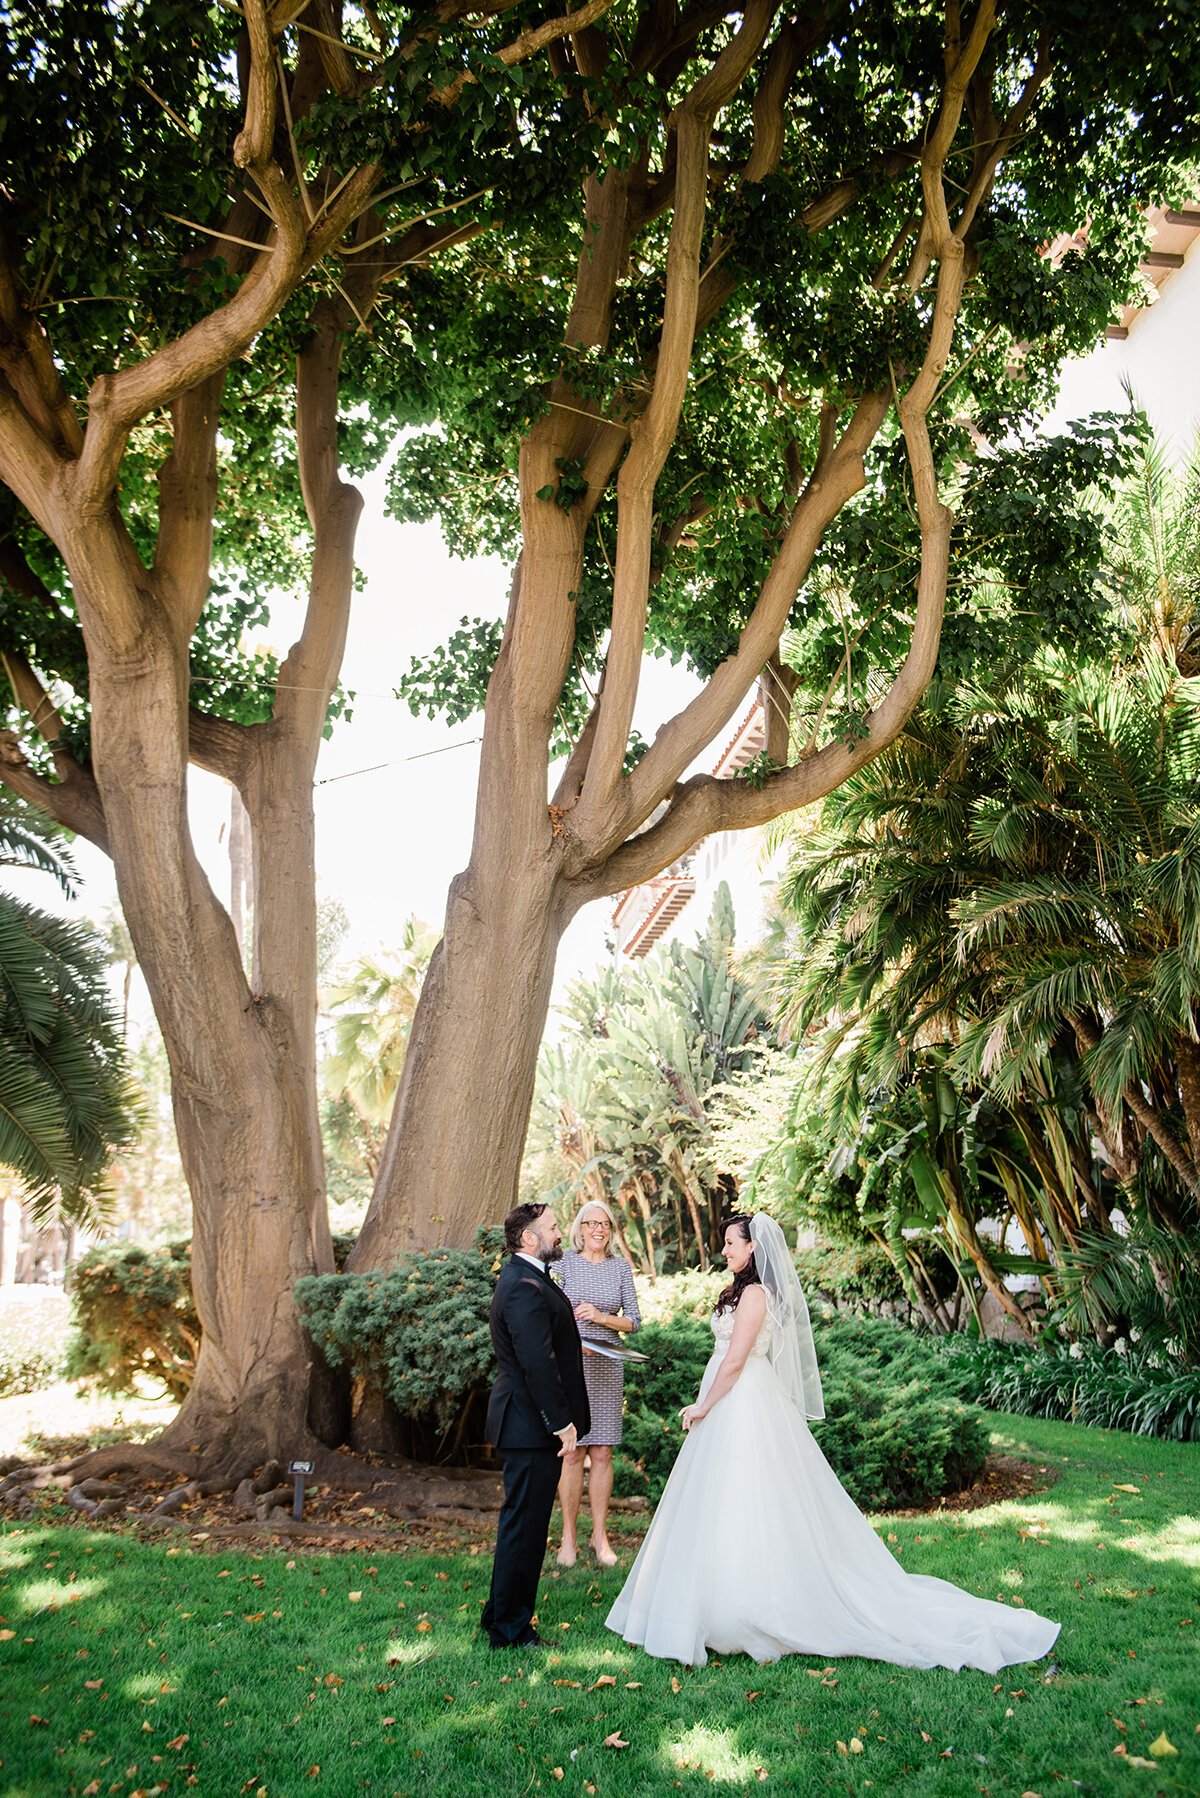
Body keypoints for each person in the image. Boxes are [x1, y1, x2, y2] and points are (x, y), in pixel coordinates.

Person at [606, 1214, 1061, 1672]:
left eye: (730, 1243)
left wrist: (702, 1406)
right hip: (733, 1401)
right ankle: (711, 1597)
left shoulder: (756, 1295)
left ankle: (747, 1605)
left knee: (746, 1498)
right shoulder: (742, 1292)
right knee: (722, 1500)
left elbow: (737, 1360)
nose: (723, 1250)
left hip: (740, 1401)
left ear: (753, 1250)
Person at [482, 1202, 590, 1650]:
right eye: (552, 1227)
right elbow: (536, 1364)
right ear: (529, 1238)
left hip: (527, 1423)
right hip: (530, 1425)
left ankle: (499, 1615)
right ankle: (510, 1629)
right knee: (524, 1528)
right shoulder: (524, 1285)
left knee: (521, 1524)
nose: (559, 1232)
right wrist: (561, 1423)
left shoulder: (526, 1277)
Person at [553, 1199, 642, 1568]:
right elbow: (547, 1312)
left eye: (604, 1224)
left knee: (603, 1452)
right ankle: (568, 1537)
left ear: (611, 1230)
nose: (597, 1230)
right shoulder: (563, 1264)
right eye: (591, 1223)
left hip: (607, 1367)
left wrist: (603, 1318)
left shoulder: (620, 1268)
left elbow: (634, 1322)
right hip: (570, 1368)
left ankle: (600, 1536)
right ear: (580, 1228)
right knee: (572, 1452)